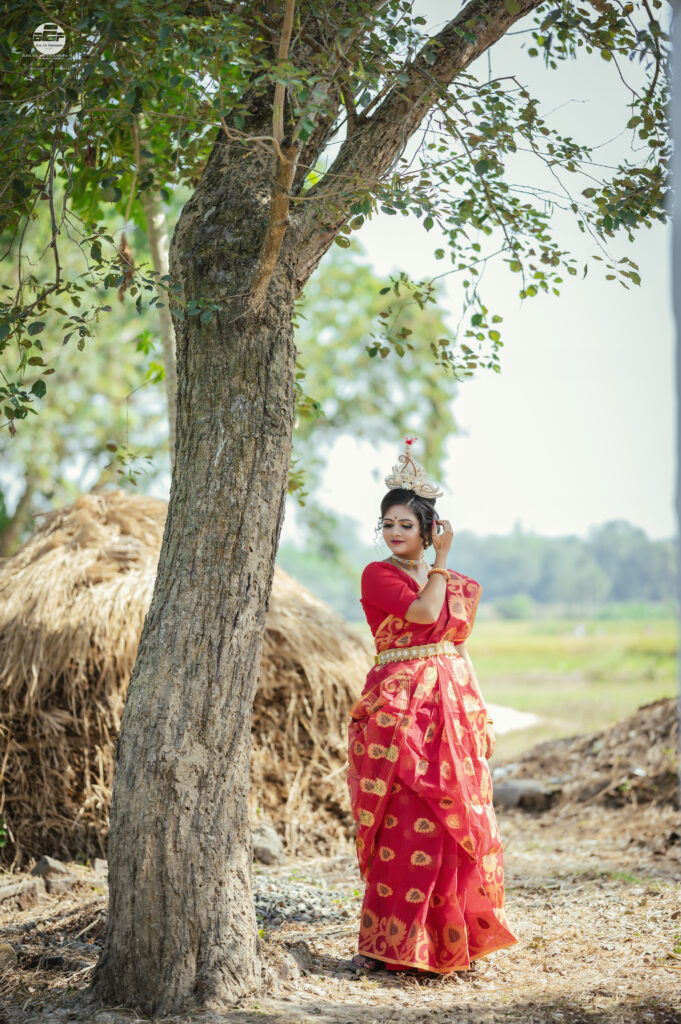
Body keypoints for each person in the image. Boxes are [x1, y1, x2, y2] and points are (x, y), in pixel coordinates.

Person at [347, 439, 517, 975]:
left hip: (451, 707)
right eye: (387, 524)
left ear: (428, 527)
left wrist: (481, 714)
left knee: (457, 819)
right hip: (399, 710)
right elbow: (422, 616)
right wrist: (441, 561)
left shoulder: (454, 586)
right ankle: (395, 946)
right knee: (408, 816)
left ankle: (453, 944)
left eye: (406, 524)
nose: (395, 533)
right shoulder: (379, 575)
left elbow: (457, 648)